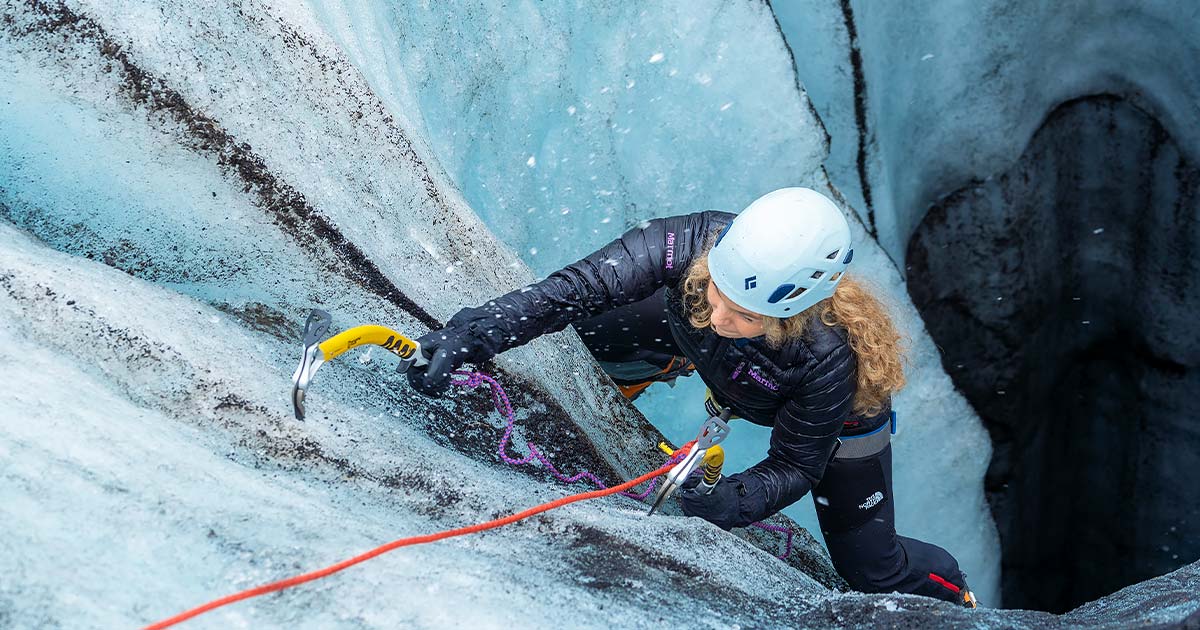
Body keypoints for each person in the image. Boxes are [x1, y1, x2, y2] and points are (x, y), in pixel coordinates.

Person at [408, 187, 978, 607]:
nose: (720, 315)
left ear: (794, 309)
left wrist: (735, 500)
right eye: (716, 288)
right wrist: (472, 333)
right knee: (601, 326)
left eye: (745, 312)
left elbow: (797, 465)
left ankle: (954, 598)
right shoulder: (690, 243)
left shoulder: (829, 359)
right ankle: (621, 389)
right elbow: (574, 291)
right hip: (707, 352)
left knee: (872, 571)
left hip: (837, 424)